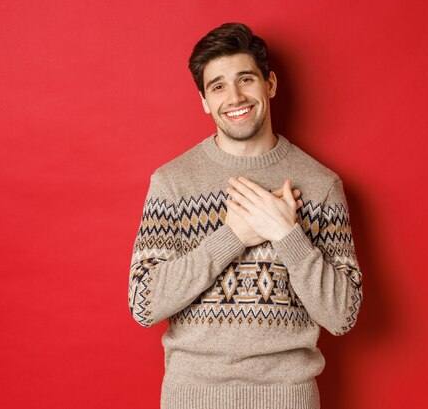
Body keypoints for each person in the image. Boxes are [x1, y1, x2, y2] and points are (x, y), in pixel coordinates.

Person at [128, 22, 363, 409]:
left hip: (288, 398)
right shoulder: (172, 183)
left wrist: (287, 234)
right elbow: (143, 304)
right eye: (217, 86)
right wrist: (232, 236)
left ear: (269, 84)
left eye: (245, 79)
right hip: (191, 398)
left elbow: (342, 316)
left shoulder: (320, 185)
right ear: (204, 100)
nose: (234, 96)